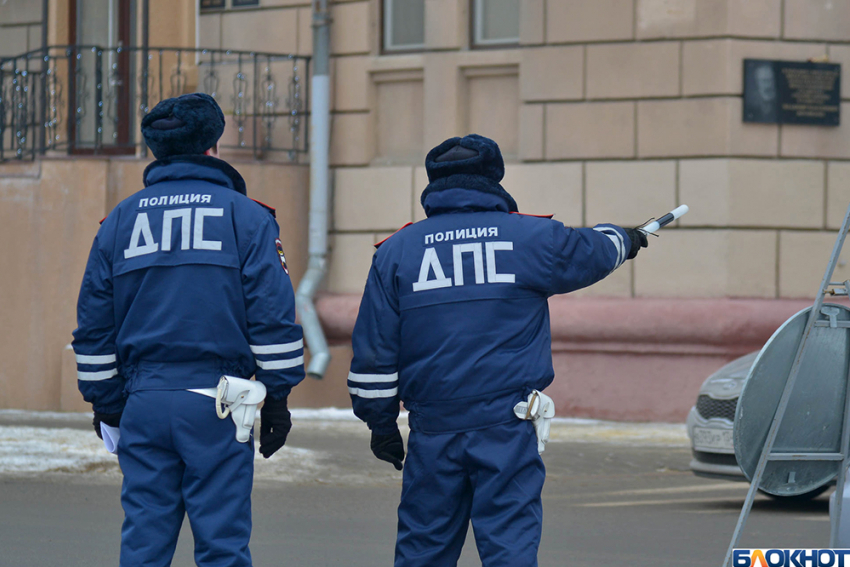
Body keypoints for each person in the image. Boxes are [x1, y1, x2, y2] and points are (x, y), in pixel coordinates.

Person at [348, 134, 649, 567]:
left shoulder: (396, 252)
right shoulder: (530, 238)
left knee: (423, 549)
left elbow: (374, 351)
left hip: (433, 430)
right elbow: (595, 250)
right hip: (505, 427)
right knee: (509, 545)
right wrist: (627, 237)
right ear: (494, 176)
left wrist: (379, 423)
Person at [72, 93, 304, 566]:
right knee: (221, 544)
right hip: (219, 402)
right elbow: (273, 317)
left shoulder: (118, 221)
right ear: (212, 146)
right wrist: (277, 396)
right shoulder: (248, 217)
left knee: (143, 541)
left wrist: (107, 401)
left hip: (143, 401)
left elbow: (93, 325)